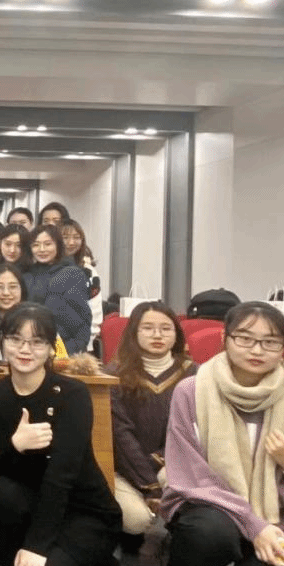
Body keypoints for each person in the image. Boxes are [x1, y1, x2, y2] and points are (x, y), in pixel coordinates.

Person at [146, 301, 284, 566]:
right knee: (210, 529)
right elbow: (190, 476)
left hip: (278, 522)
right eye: (245, 338)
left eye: (270, 342)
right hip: (212, 511)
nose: (257, 350)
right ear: (225, 338)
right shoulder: (192, 392)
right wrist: (253, 524)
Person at [0, 303, 122, 566]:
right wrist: (17, 445)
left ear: (51, 348)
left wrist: (35, 547)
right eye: (16, 339)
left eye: (37, 342)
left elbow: (62, 476)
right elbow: (3, 466)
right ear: (2, 341)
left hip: (85, 509)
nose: (25, 349)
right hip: (36, 502)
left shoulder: (73, 394)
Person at [108, 302, 192, 549]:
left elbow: (190, 431)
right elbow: (120, 435)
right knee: (136, 521)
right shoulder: (113, 374)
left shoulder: (194, 375)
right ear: (134, 332)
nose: (157, 335)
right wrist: (150, 484)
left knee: (178, 488)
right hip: (124, 468)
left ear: (176, 334)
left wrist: (160, 464)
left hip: (175, 464)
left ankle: (184, 532)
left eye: (166, 328)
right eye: (148, 328)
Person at [22, 225, 91, 355]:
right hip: (29, 349)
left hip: (64, 351)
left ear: (58, 245)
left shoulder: (73, 274)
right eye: (36, 245)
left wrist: (67, 351)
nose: (42, 249)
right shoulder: (26, 276)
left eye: (48, 244)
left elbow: (82, 320)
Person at [60, 219, 102, 350]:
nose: (71, 242)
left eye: (76, 237)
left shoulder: (89, 272)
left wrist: (84, 342)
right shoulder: (45, 270)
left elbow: (95, 313)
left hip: (80, 346)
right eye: (65, 237)